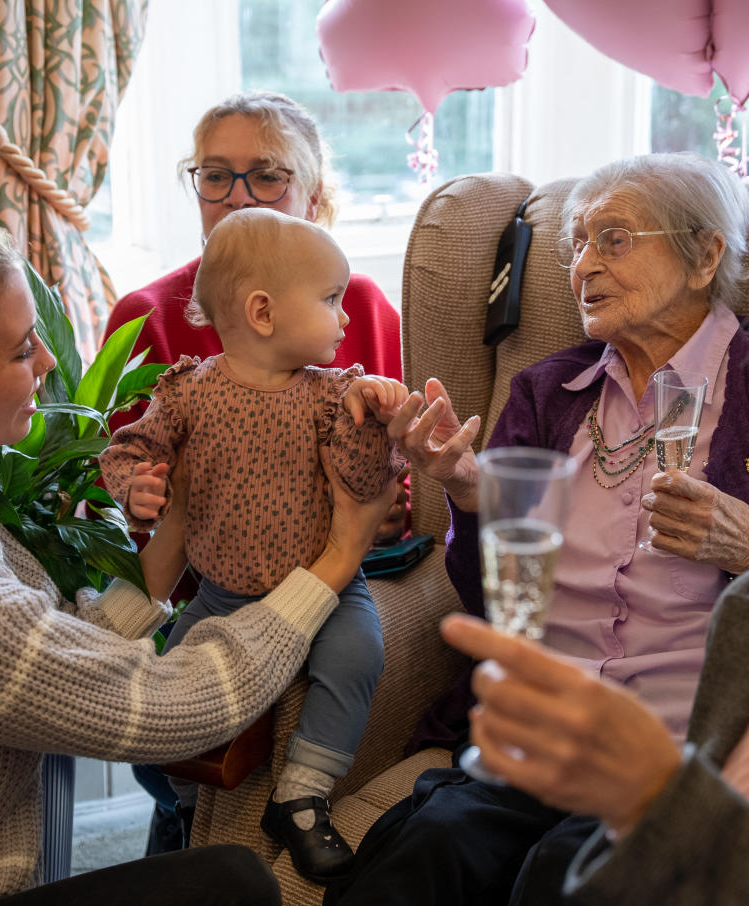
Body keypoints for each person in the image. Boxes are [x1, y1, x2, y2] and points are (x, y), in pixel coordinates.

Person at [0, 214, 397, 906]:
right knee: (235, 885)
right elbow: (181, 709)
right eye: (22, 350)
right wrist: (337, 558)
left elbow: (56, 653)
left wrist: (171, 535)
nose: (48, 362)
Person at [324, 151, 749, 906]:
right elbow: (488, 597)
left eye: (613, 238)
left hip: (673, 751)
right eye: (576, 243)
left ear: (704, 254)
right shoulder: (549, 390)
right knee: (427, 853)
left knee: (561, 875)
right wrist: (464, 487)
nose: (583, 263)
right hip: (542, 728)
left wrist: (742, 540)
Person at [99, 207, 408, 884]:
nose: (346, 317)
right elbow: (127, 448)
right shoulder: (188, 392)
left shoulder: (334, 395)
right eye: (330, 300)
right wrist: (136, 489)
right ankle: (182, 804)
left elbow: (363, 486)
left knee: (359, 654)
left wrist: (375, 423)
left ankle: (302, 792)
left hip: (329, 595)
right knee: (162, 706)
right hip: (218, 595)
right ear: (262, 312)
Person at [102, 89, 406, 545]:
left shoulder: (360, 306)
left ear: (313, 200)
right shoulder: (146, 317)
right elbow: (112, 494)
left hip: (349, 574)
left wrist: (391, 508)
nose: (238, 198)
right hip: (201, 582)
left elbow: (404, 464)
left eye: (266, 177)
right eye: (217, 175)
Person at [438, 584, 749, 906]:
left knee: (553, 864)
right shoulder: (742, 602)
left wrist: (658, 792)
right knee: (437, 834)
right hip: (549, 741)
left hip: (667, 755)